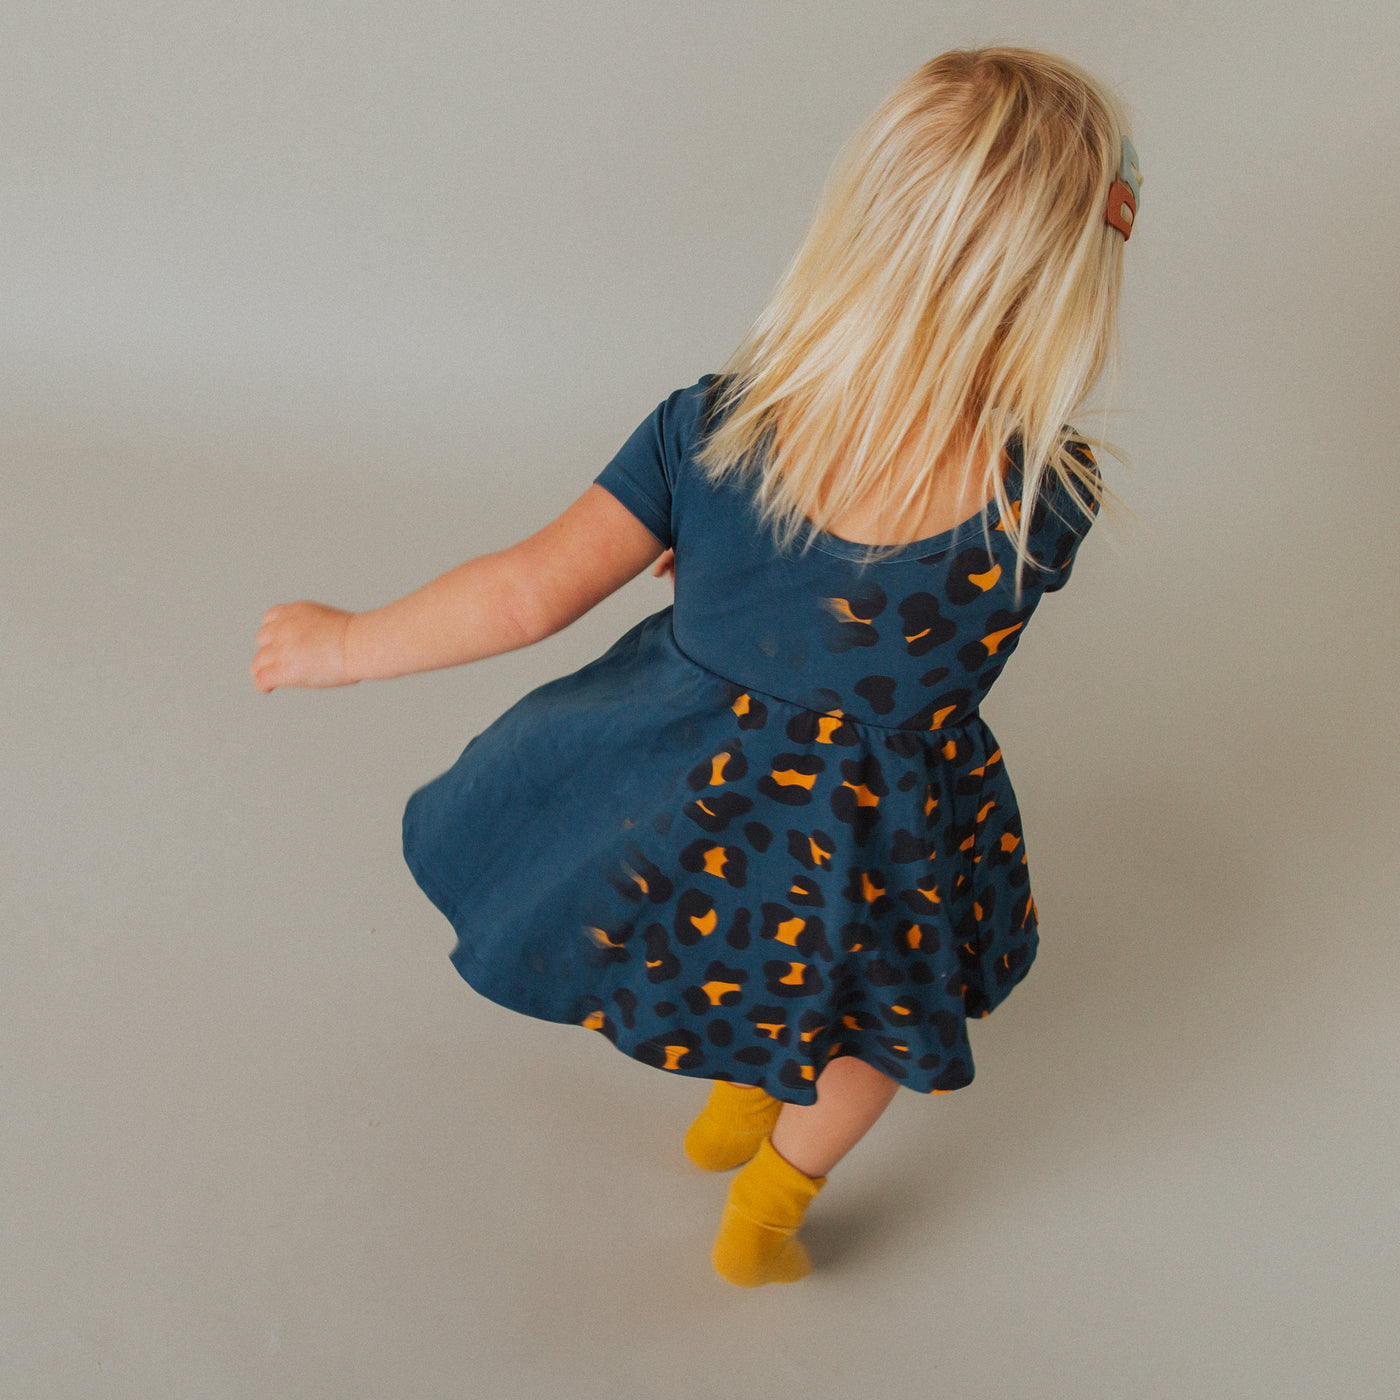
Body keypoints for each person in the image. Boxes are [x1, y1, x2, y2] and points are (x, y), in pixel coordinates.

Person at [250, 45, 1139, 1288]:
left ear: (858, 222)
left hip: (697, 788)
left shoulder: (712, 427)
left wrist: (349, 643)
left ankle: (731, 1114)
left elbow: (523, 595)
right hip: (880, 835)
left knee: (737, 936)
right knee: (865, 1030)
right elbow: (907, 627)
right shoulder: (1048, 495)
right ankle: (768, 1203)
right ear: (1061, 282)